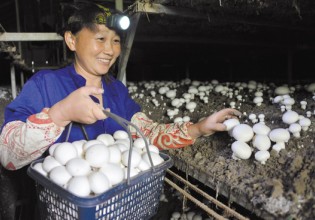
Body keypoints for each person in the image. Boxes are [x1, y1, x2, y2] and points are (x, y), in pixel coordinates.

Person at [0, 2, 241, 171]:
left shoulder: (116, 90)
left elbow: (147, 133)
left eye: (116, 41)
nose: (110, 50)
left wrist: (198, 129)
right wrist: (59, 114)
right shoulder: (45, 84)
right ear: (71, 40)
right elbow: (8, 155)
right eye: (101, 39)